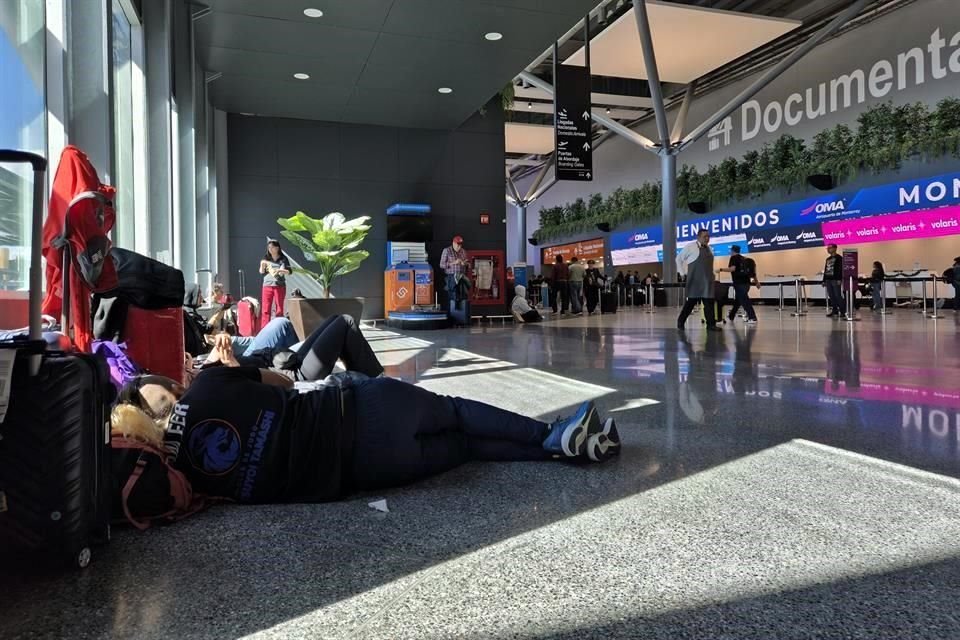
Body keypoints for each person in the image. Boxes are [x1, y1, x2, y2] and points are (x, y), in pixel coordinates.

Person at [111, 331, 622, 507]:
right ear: (173, 388)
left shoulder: (185, 481)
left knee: (464, 447)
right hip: (359, 411)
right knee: (454, 411)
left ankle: (558, 450)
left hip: (366, 473)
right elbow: (284, 383)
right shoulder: (208, 385)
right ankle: (552, 434)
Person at [676, 229, 720, 331]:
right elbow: (678, 259)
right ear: (698, 237)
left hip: (708, 281)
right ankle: (681, 321)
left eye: (708, 236)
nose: (707, 238)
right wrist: (682, 273)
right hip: (695, 281)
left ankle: (711, 324)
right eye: (705, 236)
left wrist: (713, 274)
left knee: (709, 303)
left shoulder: (710, 249)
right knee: (691, 303)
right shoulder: (690, 247)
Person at [719, 245, 757, 325]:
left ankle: (752, 317)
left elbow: (732, 269)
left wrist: (721, 269)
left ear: (732, 251)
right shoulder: (743, 258)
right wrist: (757, 282)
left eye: (731, 250)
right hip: (747, 283)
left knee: (745, 301)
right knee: (738, 300)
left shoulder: (734, 258)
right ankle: (731, 316)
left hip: (739, 283)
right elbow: (752, 271)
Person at [259, 240, 291, 327]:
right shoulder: (266, 258)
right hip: (267, 285)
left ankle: (278, 327)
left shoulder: (283, 259)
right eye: (269, 247)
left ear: (277, 248)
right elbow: (261, 272)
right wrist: (262, 264)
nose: (270, 249)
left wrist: (280, 270)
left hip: (279, 285)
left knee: (279, 308)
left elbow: (289, 271)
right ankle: (264, 328)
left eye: (272, 247)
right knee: (266, 309)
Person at [439, 235, 469, 303]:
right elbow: (441, 265)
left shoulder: (463, 251)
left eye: (460, 245)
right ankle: (452, 309)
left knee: (463, 297)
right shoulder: (447, 250)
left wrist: (464, 263)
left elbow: (468, 263)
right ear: (453, 243)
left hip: (461, 276)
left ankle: (462, 309)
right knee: (453, 297)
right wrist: (453, 263)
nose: (459, 247)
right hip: (451, 276)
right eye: (458, 245)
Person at [823, 244, 845, 318]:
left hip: (835, 279)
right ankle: (834, 310)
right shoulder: (828, 259)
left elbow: (840, 269)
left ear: (835, 248)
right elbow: (826, 270)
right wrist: (824, 280)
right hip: (828, 279)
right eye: (827, 248)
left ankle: (842, 311)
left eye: (830, 248)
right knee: (831, 296)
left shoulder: (839, 258)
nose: (828, 249)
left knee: (837, 295)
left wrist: (839, 279)